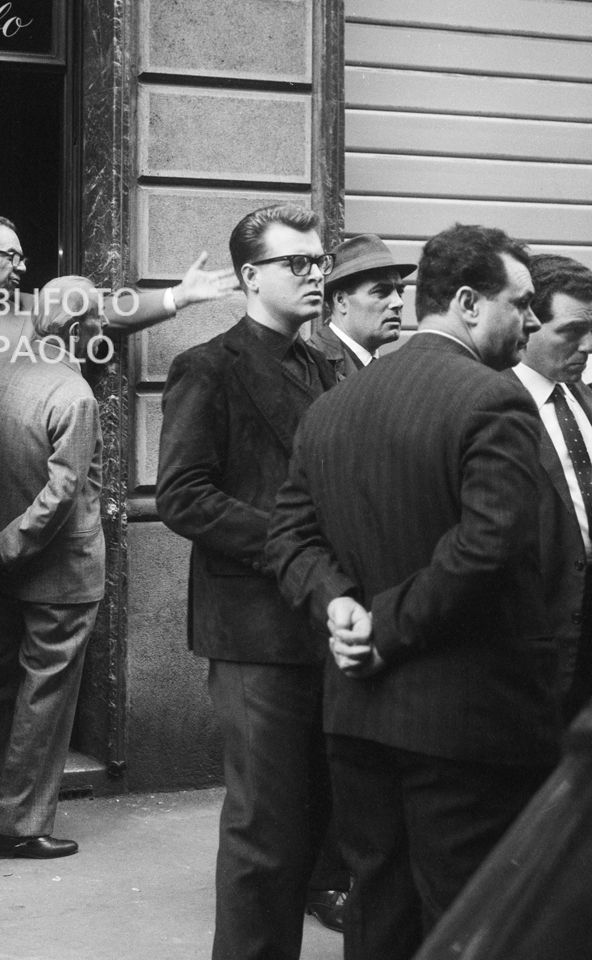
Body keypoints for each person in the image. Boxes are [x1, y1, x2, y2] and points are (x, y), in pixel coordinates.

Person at [266, 223, 560, 960]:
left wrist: (338, 606)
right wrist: (379, 626)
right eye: (519, 304)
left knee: (381, 915)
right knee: (466, 922)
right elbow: (488, 548)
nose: (529, 321)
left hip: (359, 718)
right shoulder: (494, 400)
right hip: (463, 722)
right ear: (465, 302)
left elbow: (290, 539)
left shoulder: (333, 407)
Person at [0, 213, 239, 699]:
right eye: (10, 255)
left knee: (1, 659)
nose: (20, 265)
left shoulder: (29, 309)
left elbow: (103, 312)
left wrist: (177, 296)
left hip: (22, 501)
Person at [156, 204, 344, 959]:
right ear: (247, 277)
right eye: (297, 263)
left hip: (324, 623)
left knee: (320, 823)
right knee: (264, 831)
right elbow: (184, 496)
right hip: (256, 633)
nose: (316, 275)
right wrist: (295, 549)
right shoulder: (208, 366)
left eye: (319, 261)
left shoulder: (324, 365)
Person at [0, 275, 108, 859]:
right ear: (70, 328)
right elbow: (63, 495)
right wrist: (8, 545)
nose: (100, 334)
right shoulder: (74, 393)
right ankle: (18, 826)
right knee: (45, 696)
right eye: (95, 325)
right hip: (59, 574)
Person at [512, 253, 592, 723]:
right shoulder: (491, 403)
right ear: (527, 323)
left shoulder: (582, 396)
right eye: (570, 332)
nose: (586, 346)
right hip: (539, 634)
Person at [308, 233, 414, 381]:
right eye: (381, 292)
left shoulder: (392, 372)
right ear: (341, 301)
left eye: (400, 292)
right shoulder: (312, 365)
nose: (398, 302)